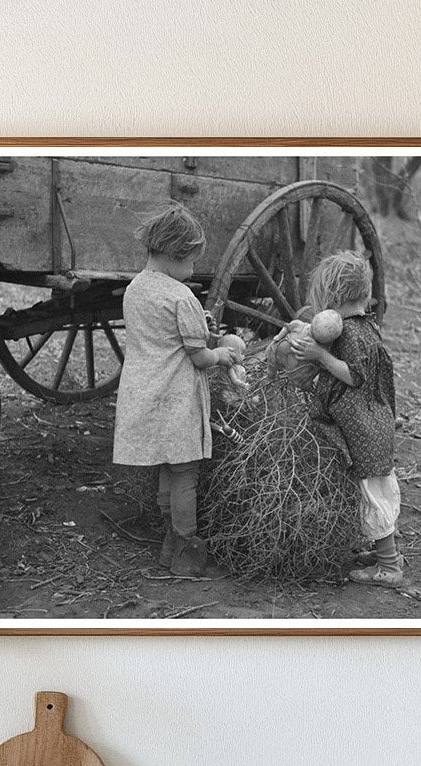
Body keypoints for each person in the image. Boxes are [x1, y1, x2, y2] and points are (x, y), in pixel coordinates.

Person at [112, 203, 238, 577]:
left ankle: (169, 545)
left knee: (166, 473)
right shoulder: (182, 297)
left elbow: (163, 334)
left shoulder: (135, 289)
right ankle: (185, 549)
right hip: (177, 399)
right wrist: (224, 355)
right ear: (173, 255)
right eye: (191, 261)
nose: (194, 270)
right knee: (185, 475)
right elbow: (198, 357)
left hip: (145, 396)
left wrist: (199, 325)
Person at [290, 251, 404, 587]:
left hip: (364, 429)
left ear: (333, 297)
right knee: (376, 489)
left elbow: (354, 376)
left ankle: (389, 569)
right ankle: (387, 553)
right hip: (371, 424)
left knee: (372, 492)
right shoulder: (365, 326)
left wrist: (320, 356)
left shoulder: (351, 334)